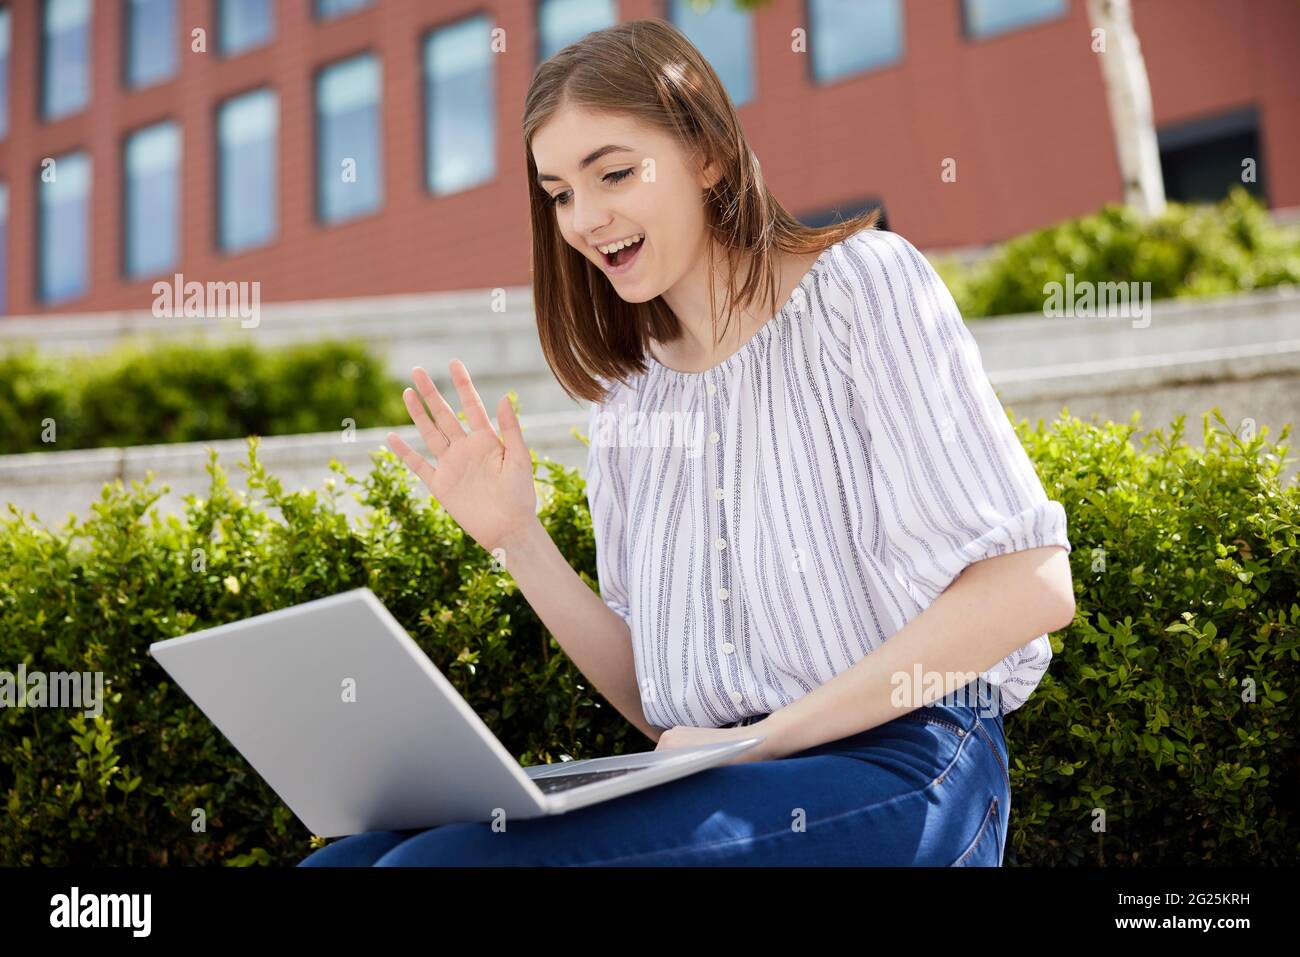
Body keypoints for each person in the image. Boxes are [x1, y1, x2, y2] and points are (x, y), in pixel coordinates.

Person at [299, 17, 1073, 867]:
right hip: (728, 770)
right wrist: (518, 539)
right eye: (559, 193)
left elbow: (1030, 586)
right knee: (345, 862)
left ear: (707, 154)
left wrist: (767, 740)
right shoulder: (632, 397)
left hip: (907, 764)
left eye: (615, 173)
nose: (585, 218)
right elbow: (657, 701)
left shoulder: (864, 288)